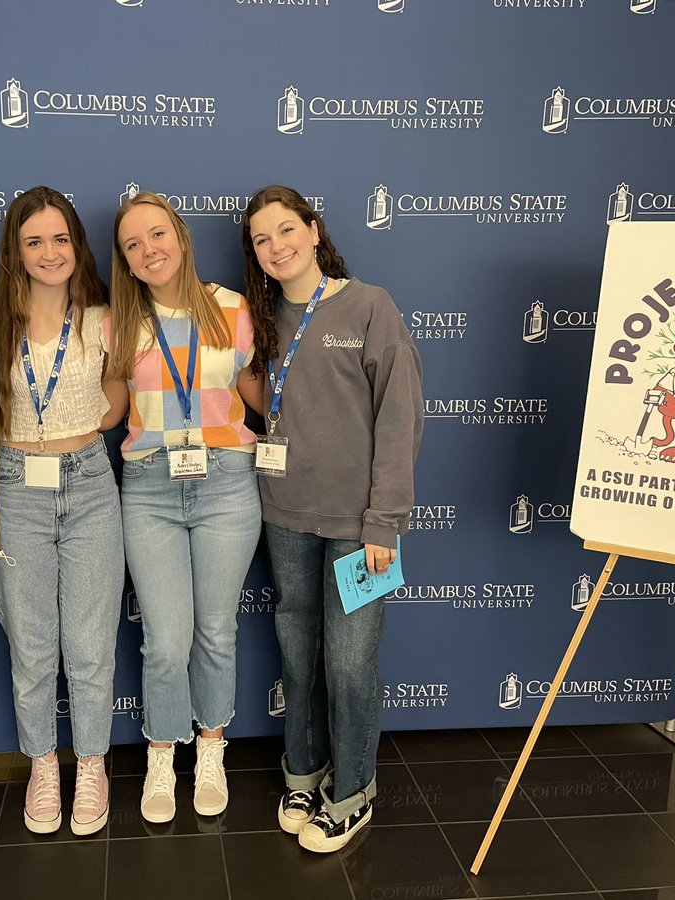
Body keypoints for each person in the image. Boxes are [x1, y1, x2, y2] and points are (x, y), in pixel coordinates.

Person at [242, 185, 424, 853]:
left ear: (314, 230)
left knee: (349, 664)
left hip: (358, 525)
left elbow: (399, 419)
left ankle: (353, 790)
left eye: (286, 229)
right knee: (297, 655)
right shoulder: (259, 320)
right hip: (285, 514)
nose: (277, 246)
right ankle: (304, 769)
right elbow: (273, 405)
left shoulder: (369, 306)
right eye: (262, 239)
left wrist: (385, 521)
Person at [0, 187, 126, 836]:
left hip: (89, 481)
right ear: (15, 250)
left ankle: (90, 763)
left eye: (60, 238)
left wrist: (77, 429)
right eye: (34, 241)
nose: (49, 252)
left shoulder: (103, 319)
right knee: (33, 648)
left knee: (90, 644)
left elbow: (116, 399)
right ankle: (43, 764)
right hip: (15, 487)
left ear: (76, 245)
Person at [106, 190, 263, 823]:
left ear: (182, 235)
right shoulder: (120, 321)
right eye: (133, 245)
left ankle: (211, 753)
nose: (149, 251)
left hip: (227, 482)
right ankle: (161, 761)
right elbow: (114, 411)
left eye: (157, 235)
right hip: (148, 487)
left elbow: (258, 396)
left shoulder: (233, 309)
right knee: (166, 641)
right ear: (125, 259)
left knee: (215, 631)